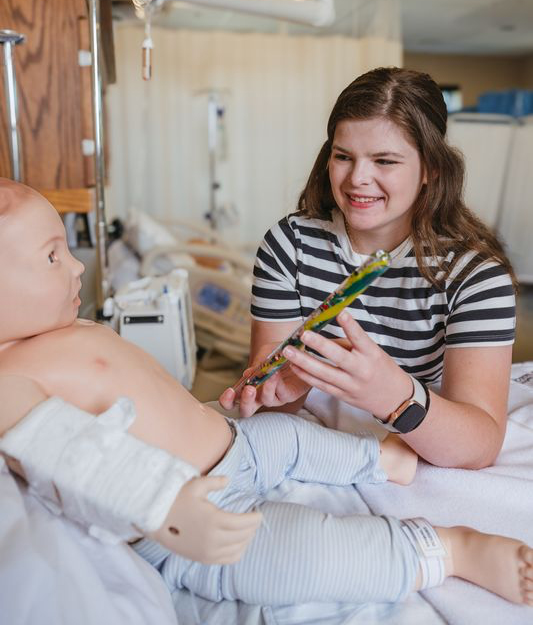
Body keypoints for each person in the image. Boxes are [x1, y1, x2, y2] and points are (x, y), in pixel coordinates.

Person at [0, 179, 532, 609]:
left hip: (235, 441)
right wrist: (164, 508)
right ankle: (448, 550)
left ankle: (378, 459)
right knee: (292, 556)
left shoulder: (54, 331)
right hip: (196, 504)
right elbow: (66, 452)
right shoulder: (8, 380)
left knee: (294, 436)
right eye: (52, 257)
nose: (76, 267)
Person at [220, 67, 516, 471]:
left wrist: (393, 395)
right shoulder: (289, 245)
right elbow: (273, 407)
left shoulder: (475, 276)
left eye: (384, 160)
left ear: (432, 169)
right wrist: (290, 383)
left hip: (426, 442)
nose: (358, 179)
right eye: (344, 157)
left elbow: (479, 445)